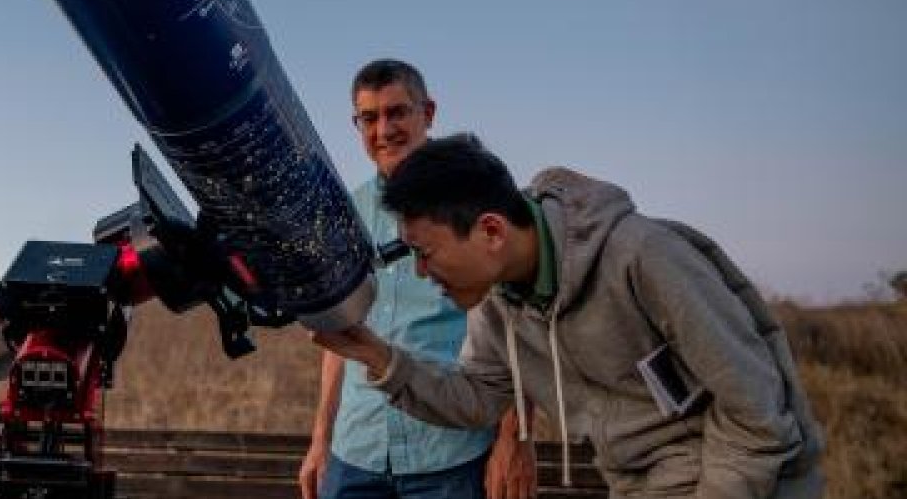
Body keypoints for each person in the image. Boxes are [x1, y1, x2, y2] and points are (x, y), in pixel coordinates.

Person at [314, 134, 824, 499]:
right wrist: (377, 357)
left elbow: (758, 418)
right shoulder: (499, 303)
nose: (422, 273)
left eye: (427, 253)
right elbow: (476, 400)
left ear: (491, 232)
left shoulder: (645, 258)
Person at [299, 61, 538, 499]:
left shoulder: (475, 195)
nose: (384, 129)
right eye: (369, 118)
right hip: (358, 450)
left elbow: (520, 325)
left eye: (397, 113)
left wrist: (516, 439)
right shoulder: (344, 212)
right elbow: (338, 339)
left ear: (427, 113)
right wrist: (321, 439)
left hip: (451, 452)